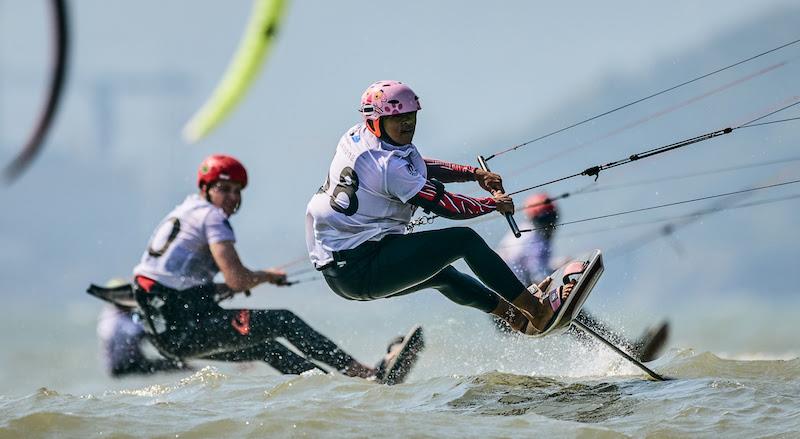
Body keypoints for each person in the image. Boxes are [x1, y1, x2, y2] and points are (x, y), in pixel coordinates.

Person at [306, 80, 575, 336]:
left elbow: (416, 165)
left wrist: (473, 174)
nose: (408, 123)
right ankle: (536, 311)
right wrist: (492, 204)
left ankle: (516, 316)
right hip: (358, 269)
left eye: (411, 116)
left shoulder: (358, 136)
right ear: (376, 121)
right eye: (398, 118)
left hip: (345, 264)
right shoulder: (388, 167)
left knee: (442, 274)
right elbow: (446, 206)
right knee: (464, 240)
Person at [131, 154, 402, 379]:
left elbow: (169, 282)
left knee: (268, 348)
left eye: (237, 191)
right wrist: (266, 277)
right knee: (283, 321)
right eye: (223, 189)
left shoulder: (185, 211)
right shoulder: (211, 218)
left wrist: (217, 290)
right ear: (205, 188)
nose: (232, 197)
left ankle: (338, 392)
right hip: (185, 328)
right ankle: (365, 375)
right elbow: (237, 279)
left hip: (166, 337)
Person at [496, 193, 669, 361]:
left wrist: (561, 265)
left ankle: (617, 352)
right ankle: (624, 352)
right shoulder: (536, 241)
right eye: (545, 220)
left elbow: (530, 270)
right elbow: (537, 275)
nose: (550, 225)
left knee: (570, 312)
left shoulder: (521, 234)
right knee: (573, 312)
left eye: (552, 218)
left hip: (502, 310)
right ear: (534, 220)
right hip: (513, 311)